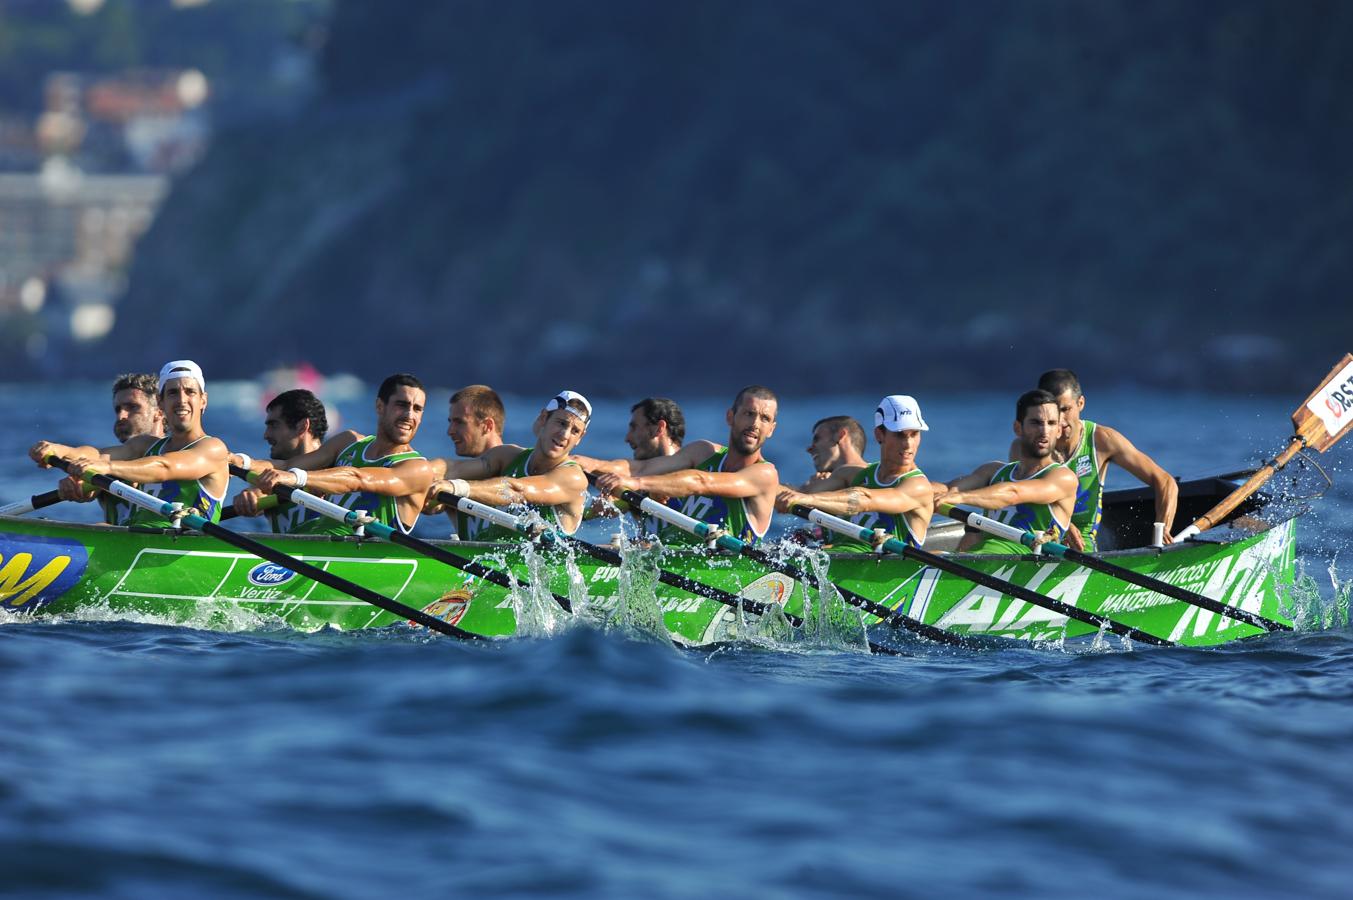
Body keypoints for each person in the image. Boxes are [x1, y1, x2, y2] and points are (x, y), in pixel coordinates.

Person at [30, 360, 229, 527]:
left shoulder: (213, 448)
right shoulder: (144, 446)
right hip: (139, 542)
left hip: (179, 552)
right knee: (101, 528)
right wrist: (59, 450)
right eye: (173, 393)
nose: (181, 400)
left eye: (190, 392)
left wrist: (106, 467)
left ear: (203, 400)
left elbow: (164, 467)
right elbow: (98, 455)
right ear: (161, 403)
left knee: (102, 528)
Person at [584, 385, 780, 545]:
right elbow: (640, 467)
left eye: (765, 419)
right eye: (749, 414)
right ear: (730, 417)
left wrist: (636, 483)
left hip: (723, 573)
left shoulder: (765, 474)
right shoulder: (703, 452)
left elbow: (701, 482)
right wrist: (583, 462)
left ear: (771, 429)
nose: (755, 423)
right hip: (668, 559)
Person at [251, 373, 436, 536]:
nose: (409, 415)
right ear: (380, 406)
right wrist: (237, 462)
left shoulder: (417, 468)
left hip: (357, 559)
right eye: (402, 405)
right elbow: (285, 466)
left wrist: (294, 477)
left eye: (417, 409)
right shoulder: (347, 442)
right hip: (306, 541)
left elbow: (357, 478)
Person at [1017, 368, 1179, 550]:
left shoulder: (1103, 440)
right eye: (1054, 411)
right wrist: (1064, 523)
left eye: (1066, 409)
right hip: (1038, 537)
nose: (1060, 420)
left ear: (1081, 403)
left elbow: (1165, 482)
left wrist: (1162, 531)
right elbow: (1016, 496)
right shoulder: (1025, 445)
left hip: (1080, 545)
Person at [776, 396, 933, 550]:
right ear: (879, 434)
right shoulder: (851, 474)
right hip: (836, 557)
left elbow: (863, 500)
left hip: (882, 572)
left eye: (914, 434)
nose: (908, 444)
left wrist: (808, 499)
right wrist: (759, 485)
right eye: (899, 435)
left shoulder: (918, 486)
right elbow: (799, 493)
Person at [428, 390, 592, 539]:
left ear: (580, 438)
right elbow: (452, 468)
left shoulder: (573, 478)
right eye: (561, 423)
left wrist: (456, 488)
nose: (564, 434)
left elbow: (517, 490)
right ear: (543, 418)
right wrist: (421, 473)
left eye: (575, 431)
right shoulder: (507, 455)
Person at [934, 389, 1078, 554]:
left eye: (1051, 423)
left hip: (1026, 567)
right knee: (932, 555)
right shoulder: (992, 471)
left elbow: (1013, 493)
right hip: (983, 559)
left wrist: (959, 497)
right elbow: (947, 488)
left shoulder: (1062, 477)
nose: (1044, 431)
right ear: (1018, 428)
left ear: (1059, 430)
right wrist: (917, 492)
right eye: (1035, 423)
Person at [53, 372, 167, 524]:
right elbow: (95, 456)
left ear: (159, 412)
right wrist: (76, 485)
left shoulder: (178, 456)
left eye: (132, 407)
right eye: (118, 409)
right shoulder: (106, 465)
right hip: (122, 543)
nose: (121, 416)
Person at [230, 389, 329, 533]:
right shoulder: (275, 476)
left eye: (274, 425)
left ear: (302, 426)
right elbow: (262, 491)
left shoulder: (338, 468)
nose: (266, 435)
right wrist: (250, 496)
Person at [588, 397, 687, 535]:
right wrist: (605, 505)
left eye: (634, 427)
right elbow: (610, 505)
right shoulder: (638, 485)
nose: (627, 438)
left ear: (659, 428)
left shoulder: (693, 476)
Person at [434, 384, 507, 539]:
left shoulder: (520, 468)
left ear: (487, 426)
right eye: (450, 422)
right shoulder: (455, 479)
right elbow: (428, 507)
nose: (450, 431)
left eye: (459, 422)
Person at [800, 415, 867, 489]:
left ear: (841, 435)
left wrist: (810, 489)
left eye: (816, 439)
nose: (809, 449)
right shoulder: (874, 475)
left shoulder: (869, 473)